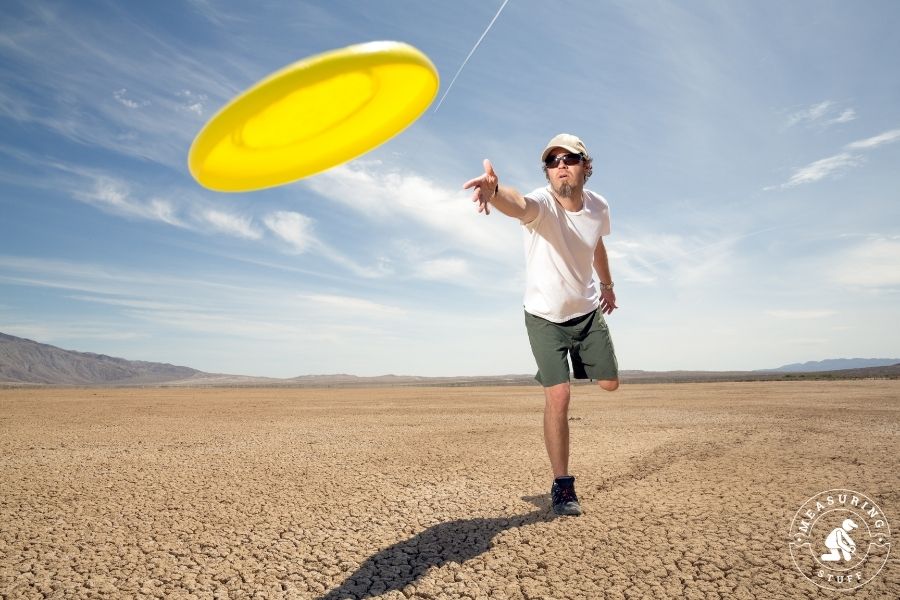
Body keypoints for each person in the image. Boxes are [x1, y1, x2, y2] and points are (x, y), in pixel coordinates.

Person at [463, 133, 620, 517]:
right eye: (552, 161)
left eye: (569, 158)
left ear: (586, 165)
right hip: (543, 317)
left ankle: (584, 357)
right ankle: (563, 486)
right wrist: (495, 189)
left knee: (609, 384)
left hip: (585, 313)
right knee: (559, 396)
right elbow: (518, 205)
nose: (560, 164)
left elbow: (596, 243)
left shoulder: (599, 207)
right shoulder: (542, 205)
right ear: (548, 173)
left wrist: (607, 284)